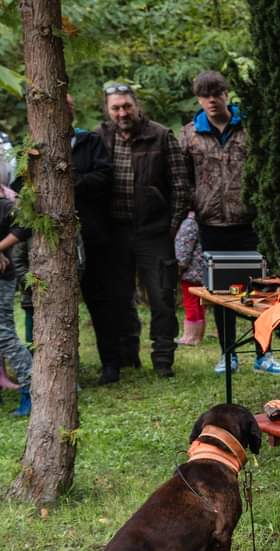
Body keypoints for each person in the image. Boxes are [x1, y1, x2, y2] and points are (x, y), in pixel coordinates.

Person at [181, 71, 280, 376]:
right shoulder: (189, 134)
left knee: (259, 290)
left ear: (226, 94)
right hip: (211, 222)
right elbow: (183, 177)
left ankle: (263, 353)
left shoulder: (249, 129)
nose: (212, 100)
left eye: (216, 93)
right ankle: (227, 353)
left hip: (249, 221)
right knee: (220, 292)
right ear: (198, 99)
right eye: (205, 95)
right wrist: (194, 202)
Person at [99, 83, 190, 378]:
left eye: (126, 106)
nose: (122, 112)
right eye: (116, 108)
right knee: (119, 296)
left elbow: (180, 185)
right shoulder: (100, 137)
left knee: (162, 295)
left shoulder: (161, 135)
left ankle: (163, 359)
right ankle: (128, 355)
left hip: (154, 231)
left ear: (136, 105)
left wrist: (172, 227)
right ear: (107, 110)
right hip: (116, 231)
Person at [67, 95, 118, 384]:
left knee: (101, 303)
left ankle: (110, 364)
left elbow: (105, 176)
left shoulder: (90, 141)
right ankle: (66, 370)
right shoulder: (36, 147)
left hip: (93, 236)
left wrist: (72, 181)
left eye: (67, 109)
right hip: (55, 244)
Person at [0, 195, 31, 415]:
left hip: (2, 278)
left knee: (4, 334)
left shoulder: (4, 204)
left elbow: (24, 225)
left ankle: (31, 389)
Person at [174, 211, 206, 346]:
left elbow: (183, 249)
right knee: (199, 303)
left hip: (191, 271)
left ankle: (190, 336)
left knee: (190, 302)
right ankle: (197, 336)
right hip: (202, 270)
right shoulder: (202, 220)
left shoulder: (189, 223)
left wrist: (178, 266)